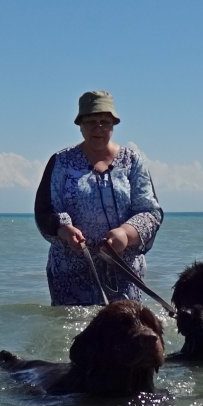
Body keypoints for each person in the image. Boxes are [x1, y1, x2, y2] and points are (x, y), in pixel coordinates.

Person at [34, 91, 163, 305]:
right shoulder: (61, 162)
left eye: (105, 121)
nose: (98, 127)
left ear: (113, 125)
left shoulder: (132, 161)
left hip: (124, 271)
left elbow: (150, 211)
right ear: (80, 125)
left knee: (126, 335)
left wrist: (125, 234)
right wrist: (64, 229)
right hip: (70, 274)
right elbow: (45, 210)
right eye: (91, 121)